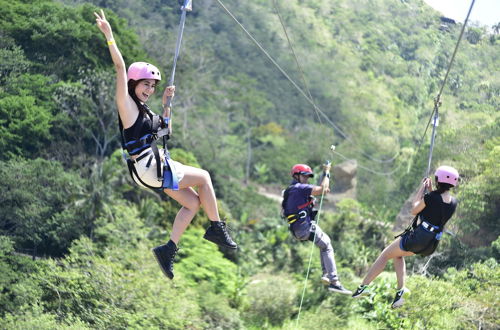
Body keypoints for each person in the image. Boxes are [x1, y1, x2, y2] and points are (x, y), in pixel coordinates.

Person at [94, 9, 237, 280]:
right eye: (145, 85)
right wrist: (109, 35)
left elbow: (165, 130)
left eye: (152, 86)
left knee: (193, 203)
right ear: (133, 84)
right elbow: (120, 68)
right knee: (204, 177)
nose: (149, 89)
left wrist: (167, 106)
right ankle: (217, 227)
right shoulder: (127, 107)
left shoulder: (147, 113)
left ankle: (168, 248)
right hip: (149, 167)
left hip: (149, 171)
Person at [352, 165, 459, 308]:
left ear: (438, 179)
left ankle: (363, 287)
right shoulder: (453, 202)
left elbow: (414, 209)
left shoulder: (431, 197)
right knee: (398, 255)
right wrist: (430, 190)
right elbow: (437, 205)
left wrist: (422, 188)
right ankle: (400, 293)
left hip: (419, 237)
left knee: (385, 255)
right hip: (431, 242)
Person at [282, 163, 352, 294]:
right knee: (327, 244)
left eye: (308, 177)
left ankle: (326, 275)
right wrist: (327, 172)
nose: (306, 179)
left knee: (324, 245)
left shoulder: (290, 190)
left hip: (298, 229)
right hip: (304, 227)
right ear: (296, 176)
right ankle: (334, 282)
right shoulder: (299, 188)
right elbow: (323, 189)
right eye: (304, 176)